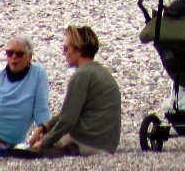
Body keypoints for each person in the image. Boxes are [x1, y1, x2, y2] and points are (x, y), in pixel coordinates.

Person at [25, 25, 121, 156]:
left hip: (88, 141)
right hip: (108, 145)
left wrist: (43, 142)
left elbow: (67, 120)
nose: (64, 53)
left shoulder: (82, 75)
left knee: (34, 150)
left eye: (66, 48)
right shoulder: (100, 72)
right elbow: (70, 112)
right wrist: (45, 127)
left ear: (78, 50)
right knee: (50, 135)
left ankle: (68, 150)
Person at [0, 35, 50, 152]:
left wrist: (44, 134)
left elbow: (41, 111)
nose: (14, 57)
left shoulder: (38, 74)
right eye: (10, 53)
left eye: (19, 54)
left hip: (12, 144)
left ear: (30, 56)